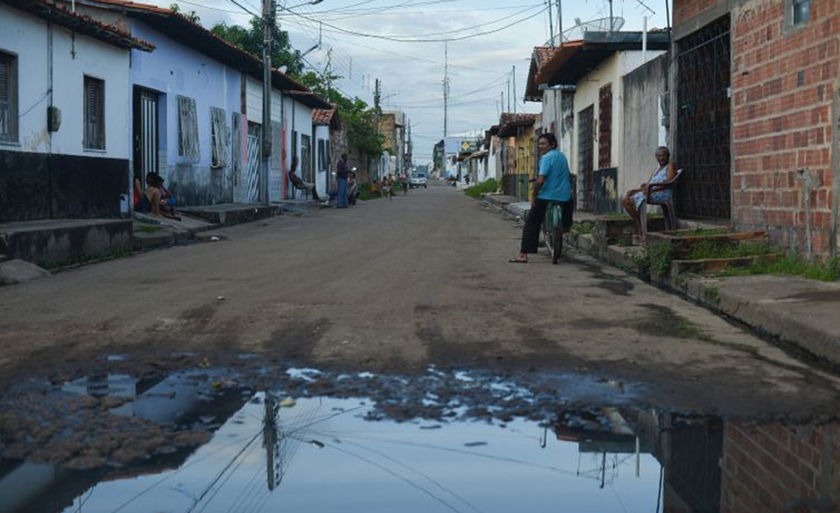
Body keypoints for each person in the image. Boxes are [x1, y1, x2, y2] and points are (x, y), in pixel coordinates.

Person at [510, 133, 573, 264]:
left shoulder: (546, 158)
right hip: (564, 196)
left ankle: (523, 254)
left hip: (546, 196)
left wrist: (534, 194)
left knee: (532, 223)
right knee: (569, 203)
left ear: (552, 144)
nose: (540, 146)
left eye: (543, 144)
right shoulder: (562, 156)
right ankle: (565, 227)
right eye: (539, 144)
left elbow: (541, 179)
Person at [621, 147, 677, 241]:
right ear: (656, 158)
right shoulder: (656, 170)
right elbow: (648, 185)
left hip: (662, 193)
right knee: (625, 199)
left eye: (663, 155)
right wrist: (635, 190)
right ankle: (641, 223)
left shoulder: (670, 165)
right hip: (651, 192)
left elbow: (668, 182)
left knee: (628, 200)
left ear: (668, 156)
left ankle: (641, 228)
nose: (661, 158)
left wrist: (652, 190)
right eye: (659, 156)